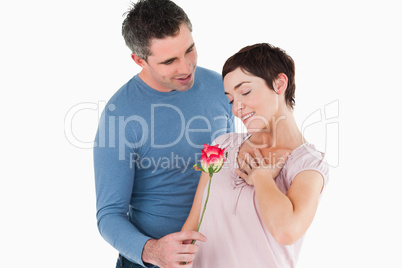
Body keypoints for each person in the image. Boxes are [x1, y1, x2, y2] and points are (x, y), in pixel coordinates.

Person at [93, 0, 234, 267]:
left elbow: (229, 166)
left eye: (189, 50)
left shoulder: (221, 86)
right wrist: (153, 251)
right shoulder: (118, 115)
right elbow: (109, 215)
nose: (186, 67)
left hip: (218, 255)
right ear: (139, 60)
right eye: (169, 61)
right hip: (152, 261)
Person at [182, 43, 329, 267]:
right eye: (231, 99)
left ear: (279, 84)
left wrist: (261, 177)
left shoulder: (308, 164)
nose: (235, 108)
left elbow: (286, 232)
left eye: (245, 92)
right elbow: (192, 224)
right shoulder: (221, 145)